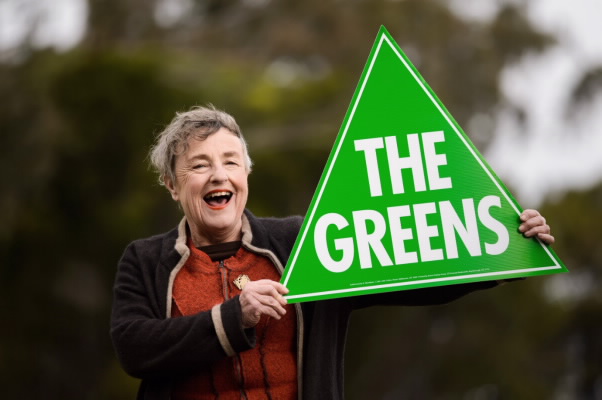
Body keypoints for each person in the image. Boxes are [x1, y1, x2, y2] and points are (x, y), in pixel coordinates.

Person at [110, 105, 555, 400]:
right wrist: (234, 316)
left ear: (246, 172)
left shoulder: (304, 240)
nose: (217, 174)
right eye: (199, 165)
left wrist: (503, 251)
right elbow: (135, 348)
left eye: (229, 161)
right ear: (172, 184)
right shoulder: (145, 260)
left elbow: (415, 272)